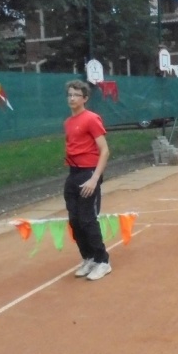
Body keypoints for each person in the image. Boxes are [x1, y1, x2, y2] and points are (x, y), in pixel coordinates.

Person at [64, 80, 112, 281]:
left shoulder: (91, 119)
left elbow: (105, 150)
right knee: (74, 220)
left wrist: (94, 179)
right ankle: (89, 258)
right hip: (73, 174)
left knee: (87, 219)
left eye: (76, 95)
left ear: (85, 98)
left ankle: (103, 261)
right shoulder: (67, 122)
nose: (72, 98)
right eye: (69, 94)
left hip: (88, 173)